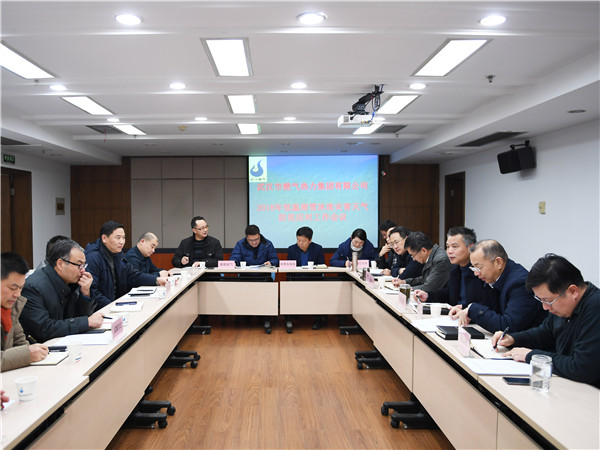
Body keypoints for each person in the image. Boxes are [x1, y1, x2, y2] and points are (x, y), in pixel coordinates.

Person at [492, 254, 600, 388]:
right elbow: (545, 333)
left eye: (547, 301)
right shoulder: (562, 307)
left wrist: (531, 356)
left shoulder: (595, 308)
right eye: (540, 300)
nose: (545, 307)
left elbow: (582, 368)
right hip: (569, 384)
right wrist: (513, 338)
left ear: (573, 291)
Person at [454, 239, 547, 333]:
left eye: (479, 267)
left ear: (498, 262)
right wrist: (466, 309)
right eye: (473, 268)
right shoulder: (494, 278)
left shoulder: (520, 283)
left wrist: (473, 310)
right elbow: (490, 309)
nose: (476, 273)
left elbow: (508, 326)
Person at [20, 239, 103, 343]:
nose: (83, 270)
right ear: (60, 264)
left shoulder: (71, 282)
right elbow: (44, 329)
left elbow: (80, 317)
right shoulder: (34, 287)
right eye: (79, 265)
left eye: (84, 265)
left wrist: (85, 293)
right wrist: (86, 322)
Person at [85, 220, 167, 309]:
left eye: (123, 238)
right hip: (103, 309)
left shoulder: (118, 255)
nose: (122, 242)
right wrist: (113, 306)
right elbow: (92, 291)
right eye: (118, 238)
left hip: (117, 304)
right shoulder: (92, 258)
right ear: (104, 238)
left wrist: (156, 280)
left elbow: (132, 275)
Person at [414, 227, 485, 307]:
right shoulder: (455, 268)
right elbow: (449, 294)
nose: (449, 251)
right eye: (448, 246)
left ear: (470, 247)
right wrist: (428, 296)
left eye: (454, 246)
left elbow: (484, 304)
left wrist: (465, 308)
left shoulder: (480, 272)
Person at [1, 252, 48, 372]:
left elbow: (20, 342)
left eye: (21, 288)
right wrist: (27, 354)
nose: (17, 294)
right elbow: (25, 352)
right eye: (13, 288)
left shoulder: (11, 307)